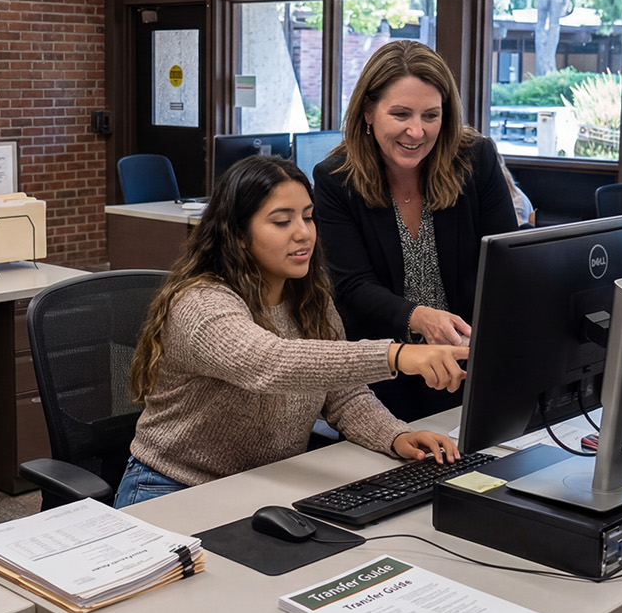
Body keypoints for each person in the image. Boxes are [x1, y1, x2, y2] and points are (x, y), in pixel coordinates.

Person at [117, 155, 466, 507]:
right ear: (238, 234)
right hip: (173, 487)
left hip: (265, 485)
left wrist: (395, 436)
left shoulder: (308, 299)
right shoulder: (201, 304)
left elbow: (343, 396)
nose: (303, 232)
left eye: (308, 217)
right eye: (282, 221)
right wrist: (396, 354)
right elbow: (270, 363)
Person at [313, 40, 518, 420]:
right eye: (401, 114)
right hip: (385, 376)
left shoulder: (475, 159)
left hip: (470, 364)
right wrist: (419, 317)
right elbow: (353, 286)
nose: (416, 131)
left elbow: (507, 261)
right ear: (368, 113)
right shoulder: (336, 179)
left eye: (430, 115)